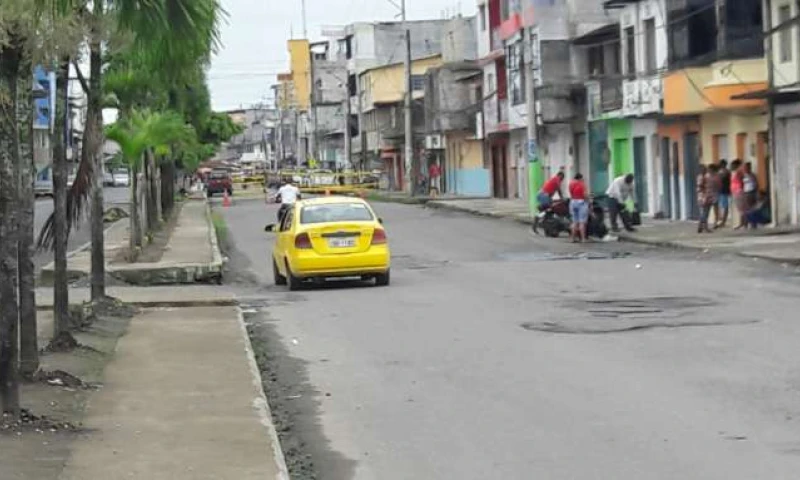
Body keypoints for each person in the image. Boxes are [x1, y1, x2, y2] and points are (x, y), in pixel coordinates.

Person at [568, 173, 589, 243]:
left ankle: (572, 238)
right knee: (582, 222)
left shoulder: (571, 184)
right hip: (581, 202)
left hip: (573, 202)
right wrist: (588, 200)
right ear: (580, 178)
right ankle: (583, 239)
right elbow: (585, 195)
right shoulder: (582, 184)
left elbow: (571, 193)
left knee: (574, 222)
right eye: (582, 178)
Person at [696, 165, 714, 233]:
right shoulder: (701, 177)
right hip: (703, 196)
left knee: (704, 212)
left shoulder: (706, 177)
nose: (705, 170)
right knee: (704, 213)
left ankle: (701, 226)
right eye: (704, 169)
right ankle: (704, 227)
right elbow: (700, 187)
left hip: (705, 196)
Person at [730, 159, 745, 229]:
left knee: (741, 208)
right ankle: (743, 223)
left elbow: (742, 181)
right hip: (735, 191)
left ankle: (742, 223)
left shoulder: (739, 172)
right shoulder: (734, 172)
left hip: (738, 191)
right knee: (740, 208)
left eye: (733, 165)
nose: (731, 166)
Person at [716, 159, 731, 228]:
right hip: (721, 191)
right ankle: (721, 220)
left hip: (724, 191)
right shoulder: (721, 172)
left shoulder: (726, 172)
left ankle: (723, 221)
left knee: (725, 207)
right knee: (722, 207)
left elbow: (721, 179)